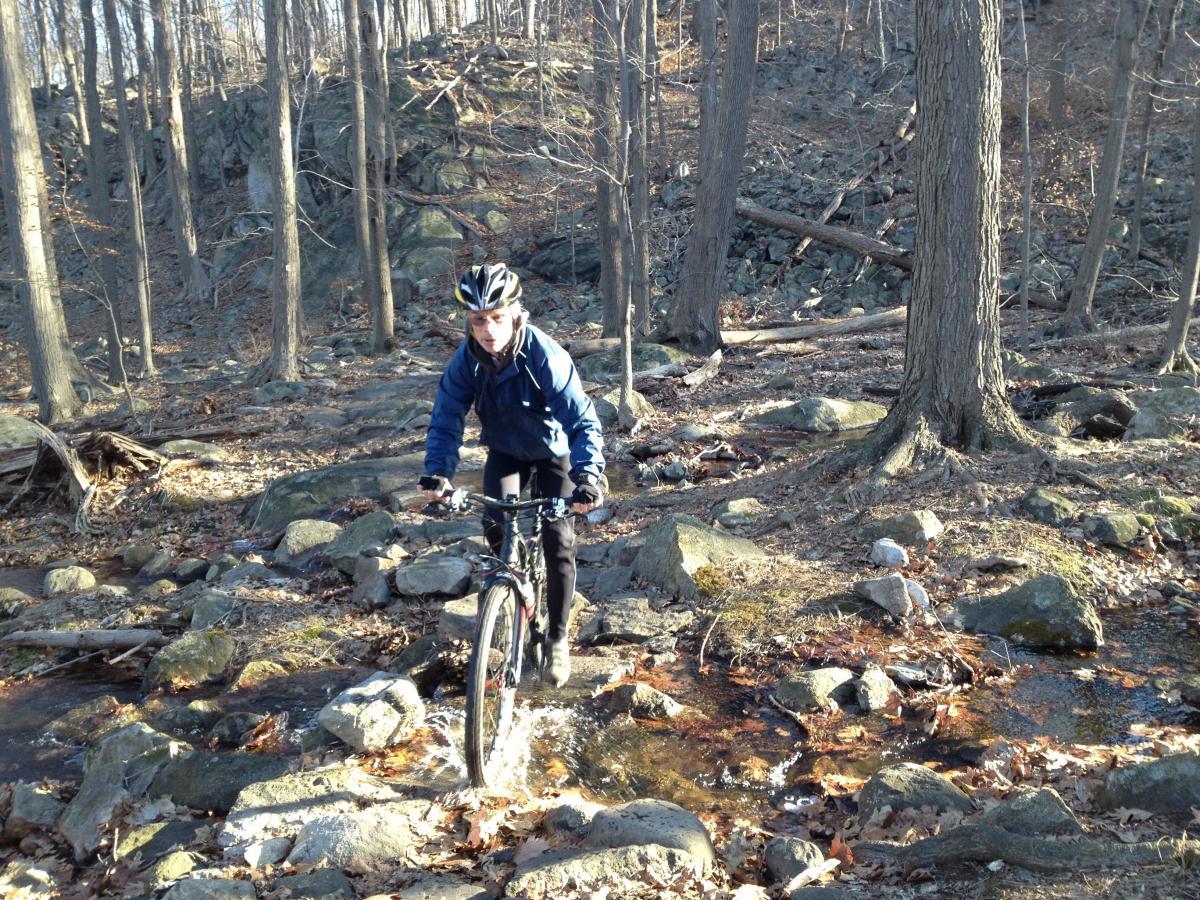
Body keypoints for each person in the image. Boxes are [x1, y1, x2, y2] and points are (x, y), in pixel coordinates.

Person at [419, 263, 604, 687]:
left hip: (555, 453)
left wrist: (587, 476)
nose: (488, 330)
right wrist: (437, 472)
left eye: (497, 318)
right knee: (495, 523)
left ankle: (557, 638)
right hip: (505, 451)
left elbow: (582, 422)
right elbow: (446, 417)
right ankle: (513, 587)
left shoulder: (544, 356)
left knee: (558, 539)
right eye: (478, 320)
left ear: (516, 314)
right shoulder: (467, 361)